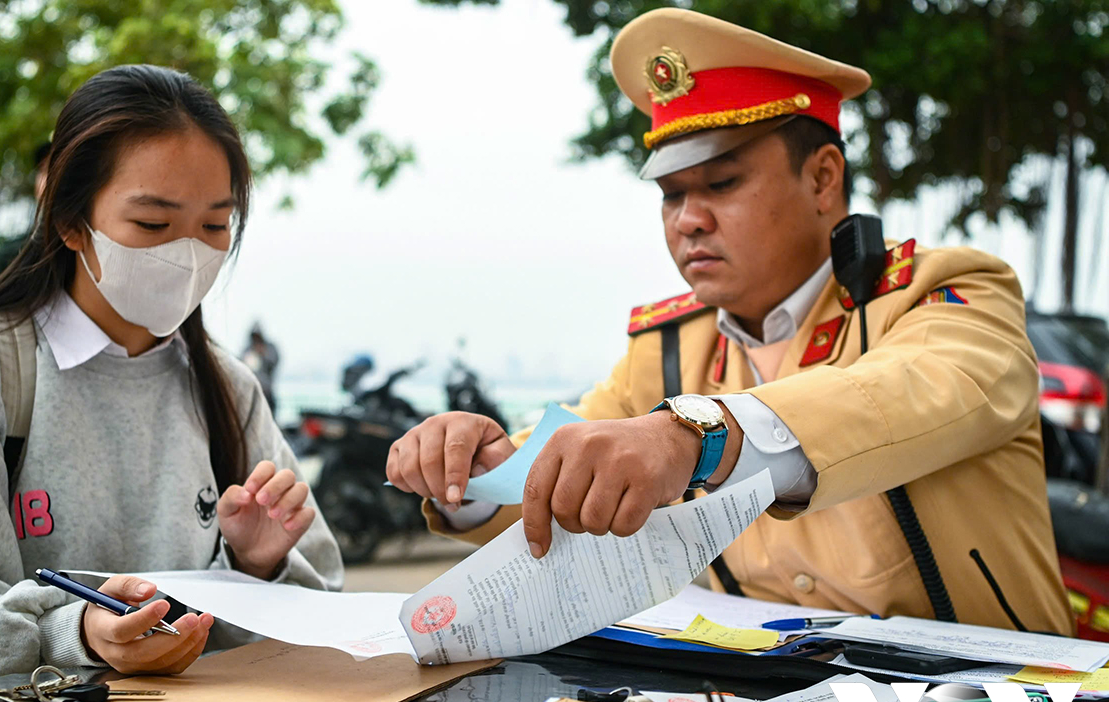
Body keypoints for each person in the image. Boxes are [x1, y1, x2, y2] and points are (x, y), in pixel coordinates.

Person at [387, 9, 1074, 635]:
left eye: (721, 185)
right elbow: (564, 480)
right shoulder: (666, 348)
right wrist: (476, 476)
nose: (689, 220)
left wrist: (693, 437)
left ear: (823, 179)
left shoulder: (947, 292)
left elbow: (913, 387)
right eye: (671, 196)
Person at [0, 65, 343, 689]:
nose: (188, 252)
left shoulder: (228, 388)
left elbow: (321, 603)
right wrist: (79, 634)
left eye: (215, 225)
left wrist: (257, 567)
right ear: (69, 221)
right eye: (151, 224)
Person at [0, 141, 53, 288]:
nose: (48, 180)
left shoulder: (97, 256)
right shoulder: (9, 258)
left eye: (58, 168)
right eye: (44, 169)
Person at [241, 323, 280, 419]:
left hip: (267, 394)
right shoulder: (248, 350)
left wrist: (263, 354)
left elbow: (275, 361)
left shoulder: (270, 348)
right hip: (252, 394)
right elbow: (242, 366)